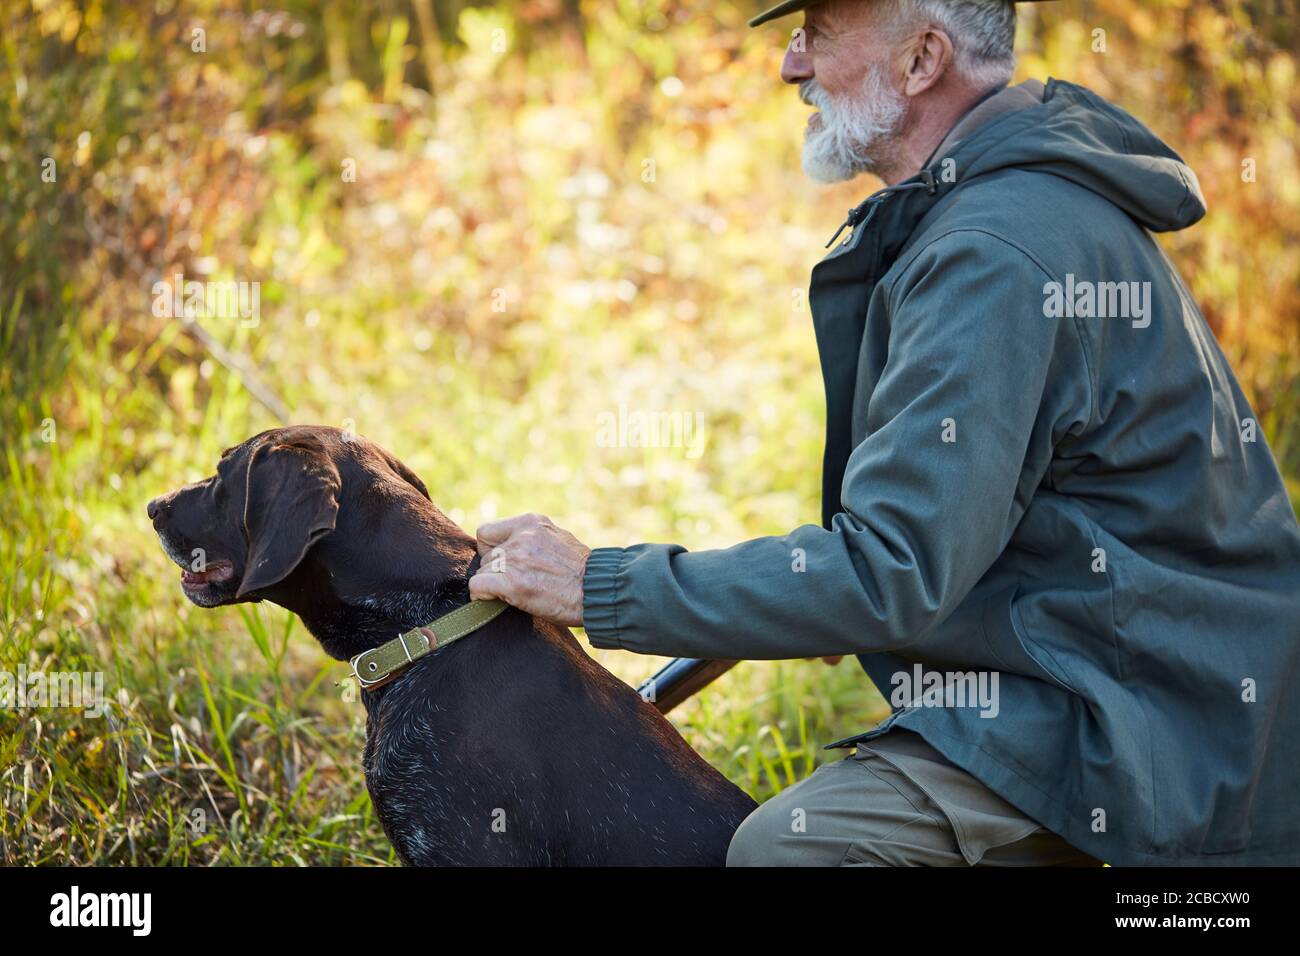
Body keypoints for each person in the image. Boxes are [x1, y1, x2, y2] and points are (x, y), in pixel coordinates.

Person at [467, 0, 1300, 866]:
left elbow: (889, 571)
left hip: (1148, 729)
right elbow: (972, 526)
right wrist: (819, 604)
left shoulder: (993, 250)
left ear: (920, 60)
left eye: (816, 35)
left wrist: (598, 584)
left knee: (792, 851)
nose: (792, 67)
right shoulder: (1010, 204)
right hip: (1141, 683)